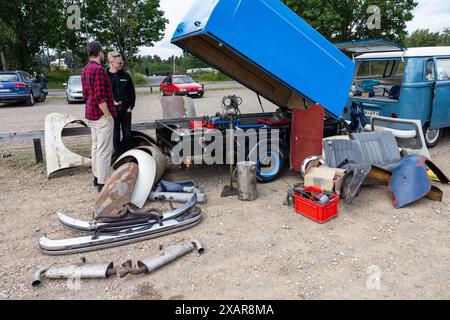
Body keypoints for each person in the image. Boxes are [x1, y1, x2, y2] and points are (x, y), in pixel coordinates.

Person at [81, 41, 117, 192]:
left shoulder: (85, 70)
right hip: (101, 116)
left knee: (95, 147)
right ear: (100, 52)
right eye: (102, 51)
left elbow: (86, 95)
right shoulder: (99, 70)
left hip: (90, 114)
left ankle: (96, 177)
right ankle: (103, 182)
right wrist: (108, 115)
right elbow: (100, 97)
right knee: (104, 150)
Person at [107, 51, 136, 158]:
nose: (121, 64)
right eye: (118, 63)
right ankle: (119, 157)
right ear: (111, 62)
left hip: (126, 111)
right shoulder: (105, 76)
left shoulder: (126, 76)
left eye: (122, 62)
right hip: (112, 112)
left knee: (127, 135)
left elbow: (132, 93)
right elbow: (103, 94)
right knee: (115, 136)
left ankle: (127, 156)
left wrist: (131, 107)